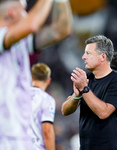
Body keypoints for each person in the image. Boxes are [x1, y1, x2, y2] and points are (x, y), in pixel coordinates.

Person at [0, 0, 72, 149]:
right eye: (24, 10)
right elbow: (32, 24)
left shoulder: (19, 42)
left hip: (22, 137)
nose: (26, 14)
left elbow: (60, 30)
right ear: (11, 12)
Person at [61, 35, 117, 150]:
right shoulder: (86, 79)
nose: (83, 57)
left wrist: (84, 89)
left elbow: (103, 113)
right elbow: (65, 110)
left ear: (102, 57)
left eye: (88, 53)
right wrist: (76, 96)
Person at [30, 63, 56, 150]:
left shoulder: (18, 96)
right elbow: (47, 131)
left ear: (31, 78)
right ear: (48, 80)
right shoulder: (47, 100)